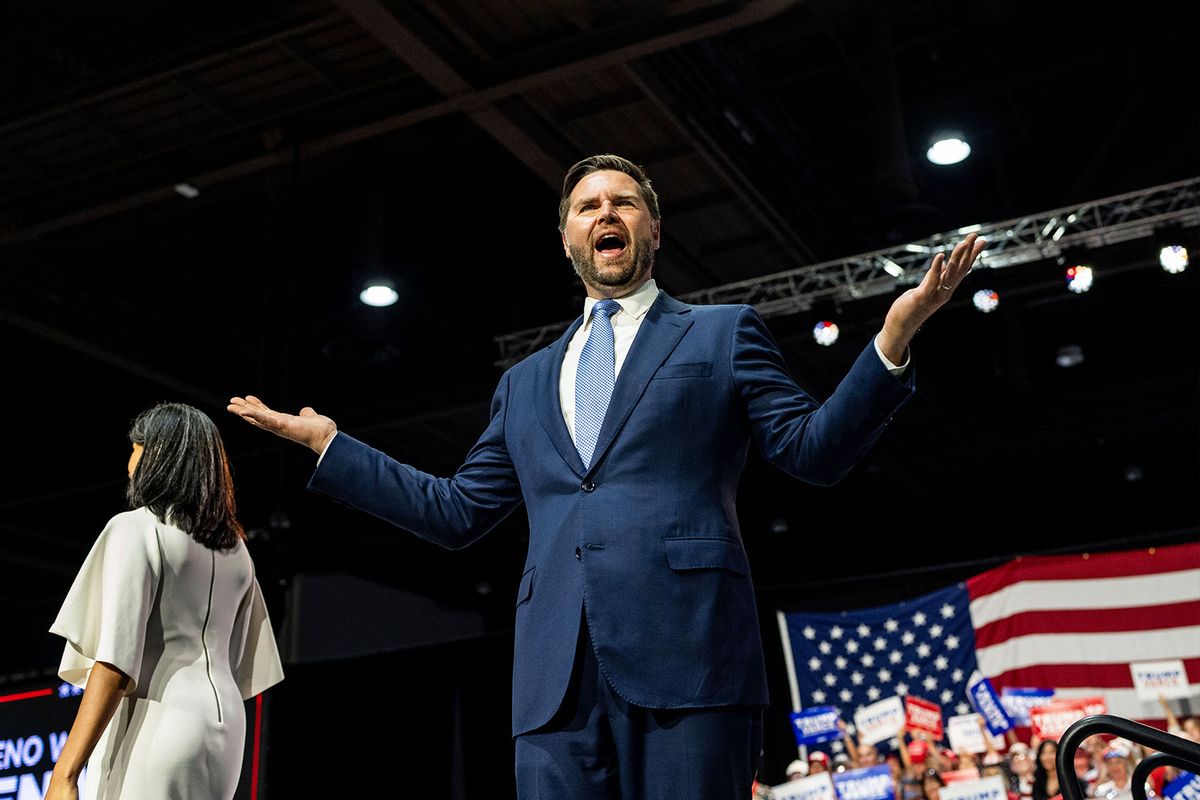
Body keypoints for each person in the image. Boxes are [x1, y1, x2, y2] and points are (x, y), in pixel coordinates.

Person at [228, 154, 985, 798]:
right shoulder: (524, 383)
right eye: (588, 206)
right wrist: (333, 445)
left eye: (624, 202)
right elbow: (454, 512)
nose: (605, 214)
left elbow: (812, 451)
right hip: (556, 686)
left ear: (653, 228)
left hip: (692, 663)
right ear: (566, 239)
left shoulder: (721, 336)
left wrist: (891, 339)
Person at [47, 403, 284, 800]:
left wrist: (65, 771)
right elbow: (242, 657)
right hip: (224, 730)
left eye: (135, 447)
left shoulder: (134, 528)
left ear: (156, 455)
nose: (130, 461)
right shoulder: (238, 550)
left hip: (158, 719)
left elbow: (116, 661)